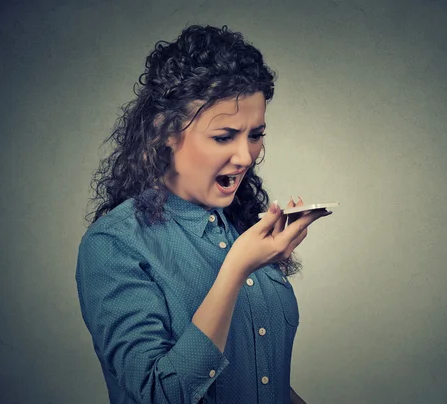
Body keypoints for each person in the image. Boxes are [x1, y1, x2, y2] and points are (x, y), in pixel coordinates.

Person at [76, 24, 332, 404]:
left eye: (256, 134)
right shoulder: (114, 245)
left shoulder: (245, 230)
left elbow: (263, 383)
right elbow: (160, 394)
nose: (246, 156)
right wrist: (235, 271)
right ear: (165, 131)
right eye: (224, 136)